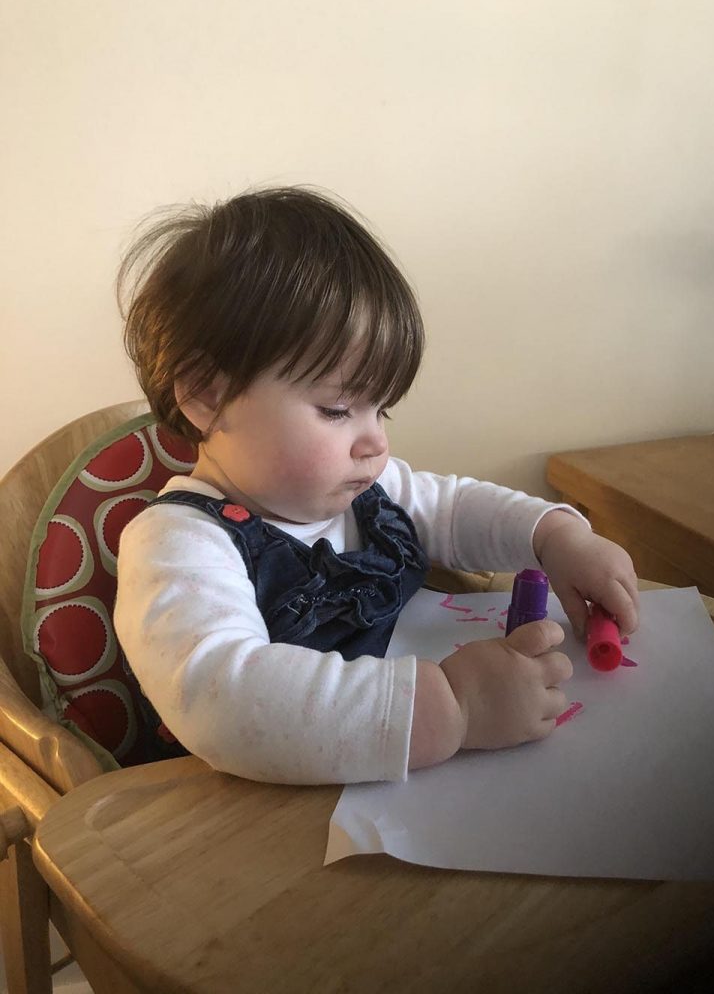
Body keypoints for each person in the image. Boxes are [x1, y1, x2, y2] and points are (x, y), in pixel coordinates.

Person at [114, 186, 639, 784]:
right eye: (338, 410)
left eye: (381, 410)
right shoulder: (176, 544)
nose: (375, 443)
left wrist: (554, 536)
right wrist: (454, 708)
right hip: (252, 820)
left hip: (413, 781)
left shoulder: (363, 488)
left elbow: (453, 507)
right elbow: (224, 698)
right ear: (207, 394)